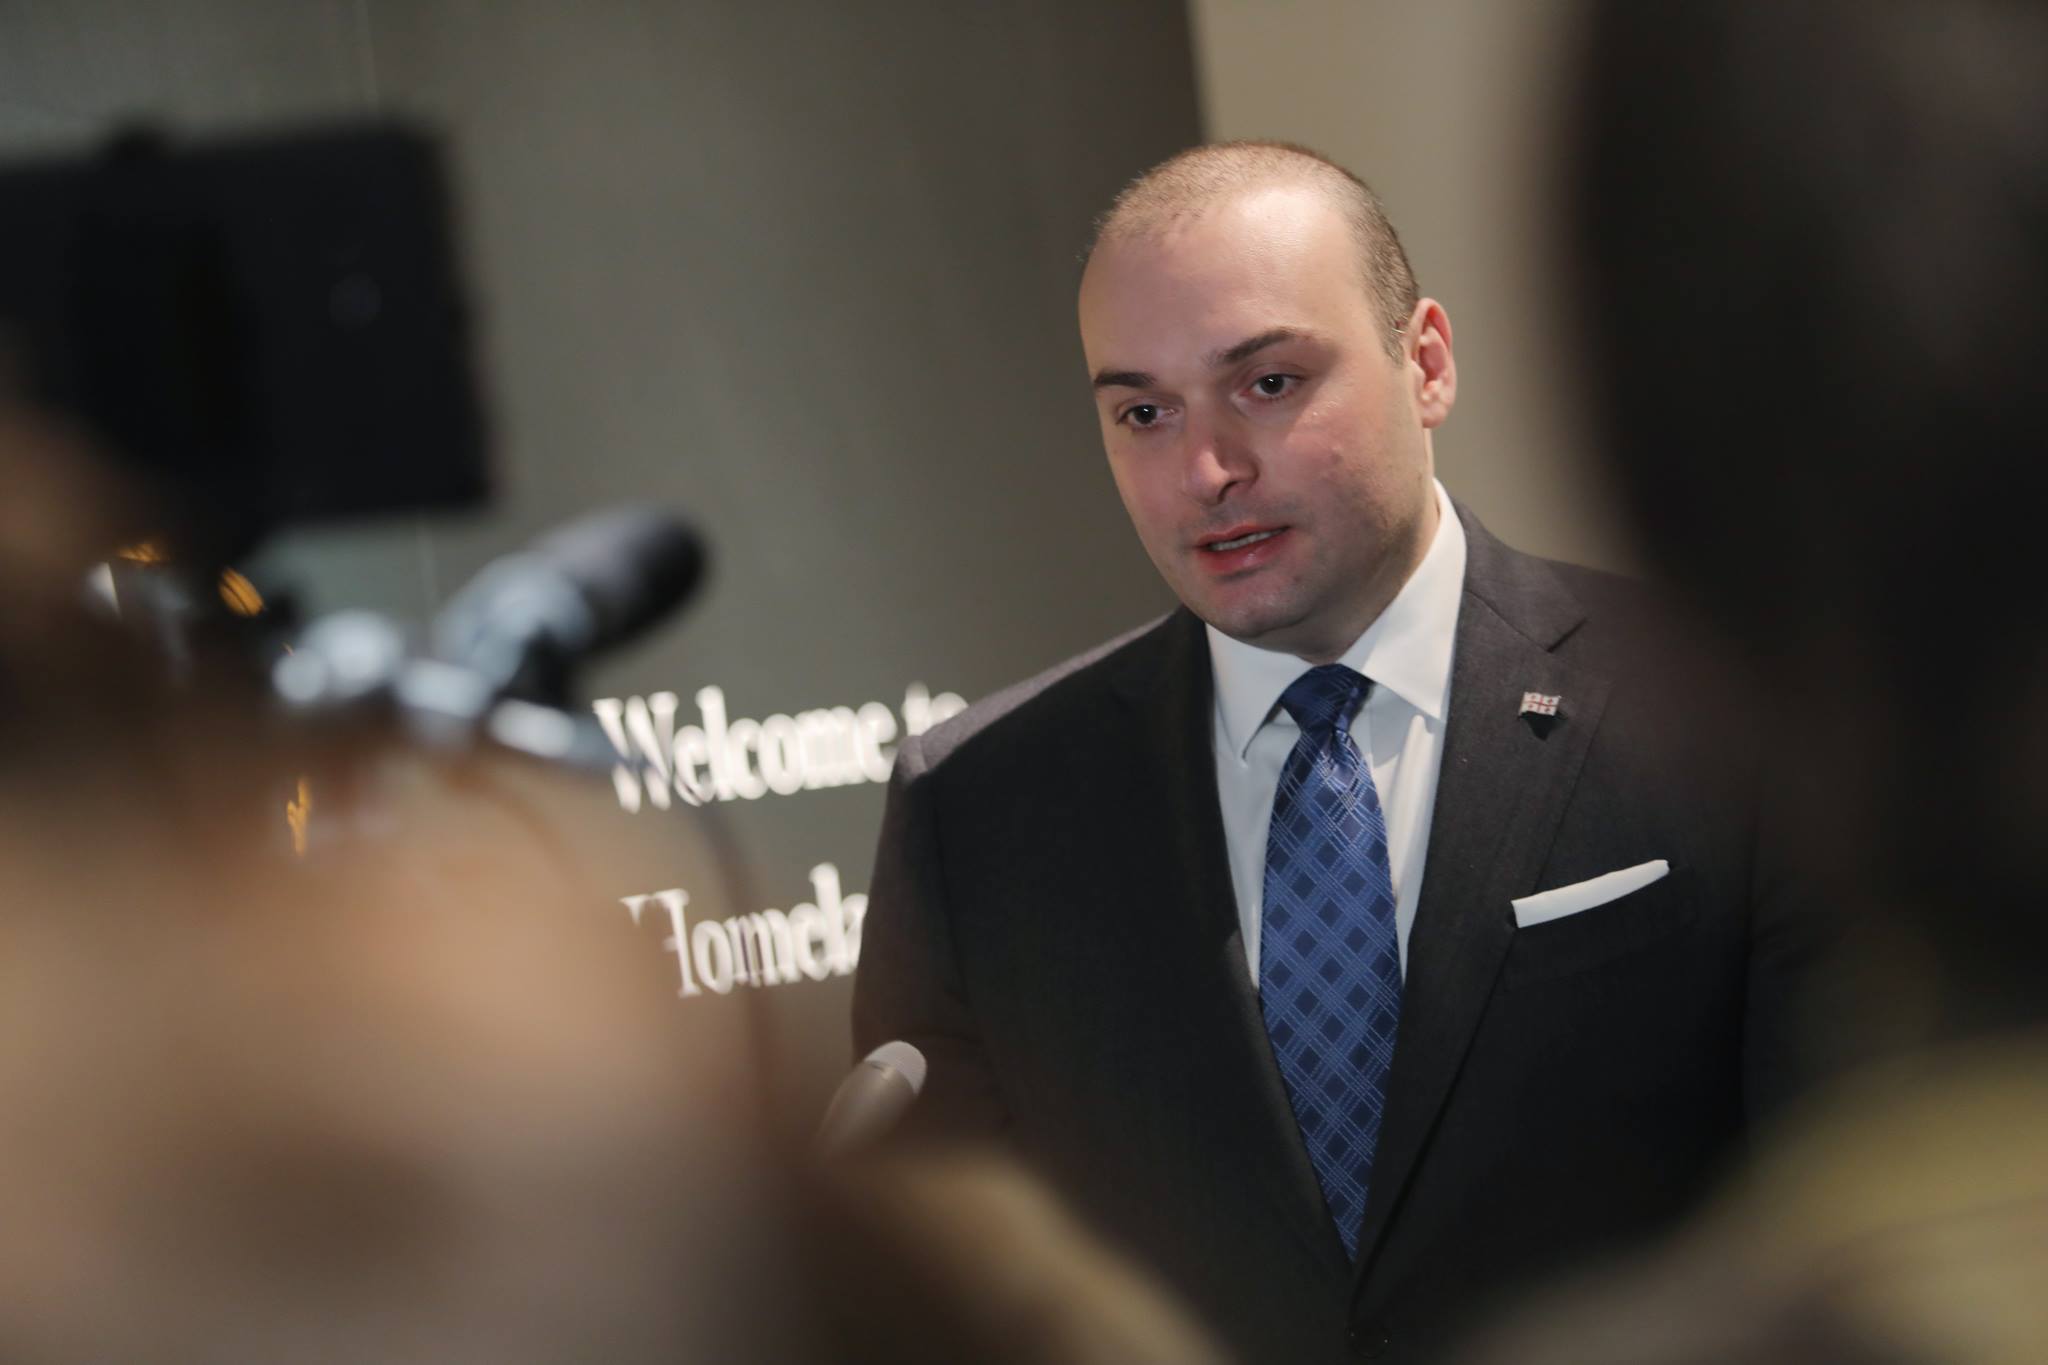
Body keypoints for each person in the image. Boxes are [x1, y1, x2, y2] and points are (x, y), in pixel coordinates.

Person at [853, 141, 1845, 1364]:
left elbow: (1858, 1218)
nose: (1206, 471)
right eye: (1143, 413)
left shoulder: (1717, 711)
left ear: (1423, 363)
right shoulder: (978, 812)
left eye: (1267, 383)